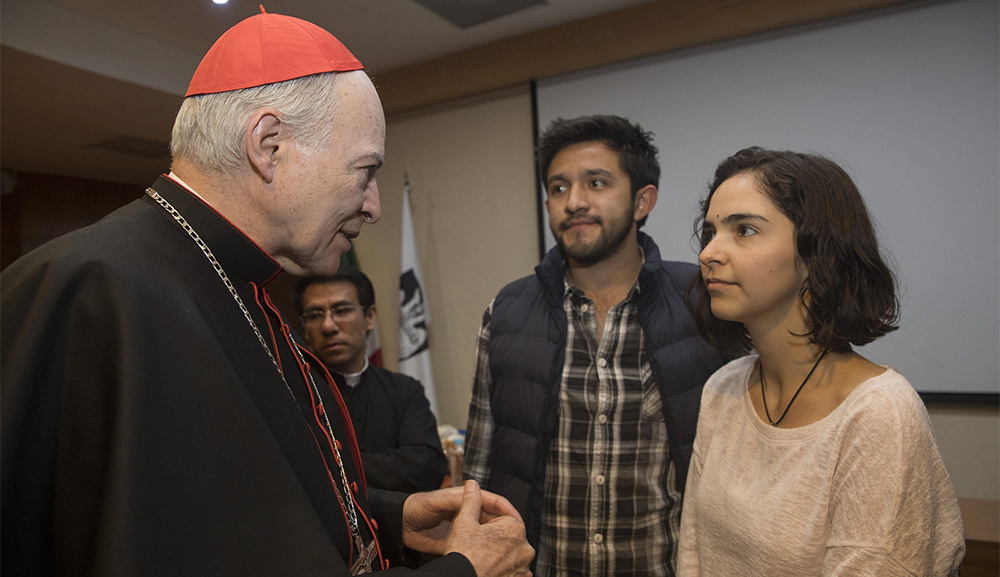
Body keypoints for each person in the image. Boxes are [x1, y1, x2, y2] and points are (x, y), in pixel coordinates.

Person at [0, 8, 533, 577]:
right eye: (365, 171)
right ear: (269, 144)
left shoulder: (241, 290)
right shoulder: (92, 291)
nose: (374, 206)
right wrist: (465, 571)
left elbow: (233, 510)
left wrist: (382, 512)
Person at [677, 146, 965, 576]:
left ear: (817, 254)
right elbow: (693, 556)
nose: (709, 253)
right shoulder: (724, 386)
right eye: (710, 232)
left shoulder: (879, 414)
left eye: (745, 231)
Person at [463, 114, 730, 576]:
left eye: (597, 183)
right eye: (559, 188)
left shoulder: (703, 303)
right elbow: (481, 462)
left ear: (643, 200)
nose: (574, 202)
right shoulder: (507, 311)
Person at [294, 267, 447, 494]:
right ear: (304, 329)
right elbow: (301, 475)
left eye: (341, 309)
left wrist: (336, 467)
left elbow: (427, 467)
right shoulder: (294, 395)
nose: (328, 326)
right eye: (315, 315)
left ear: (370, 317)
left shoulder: (405, 391)